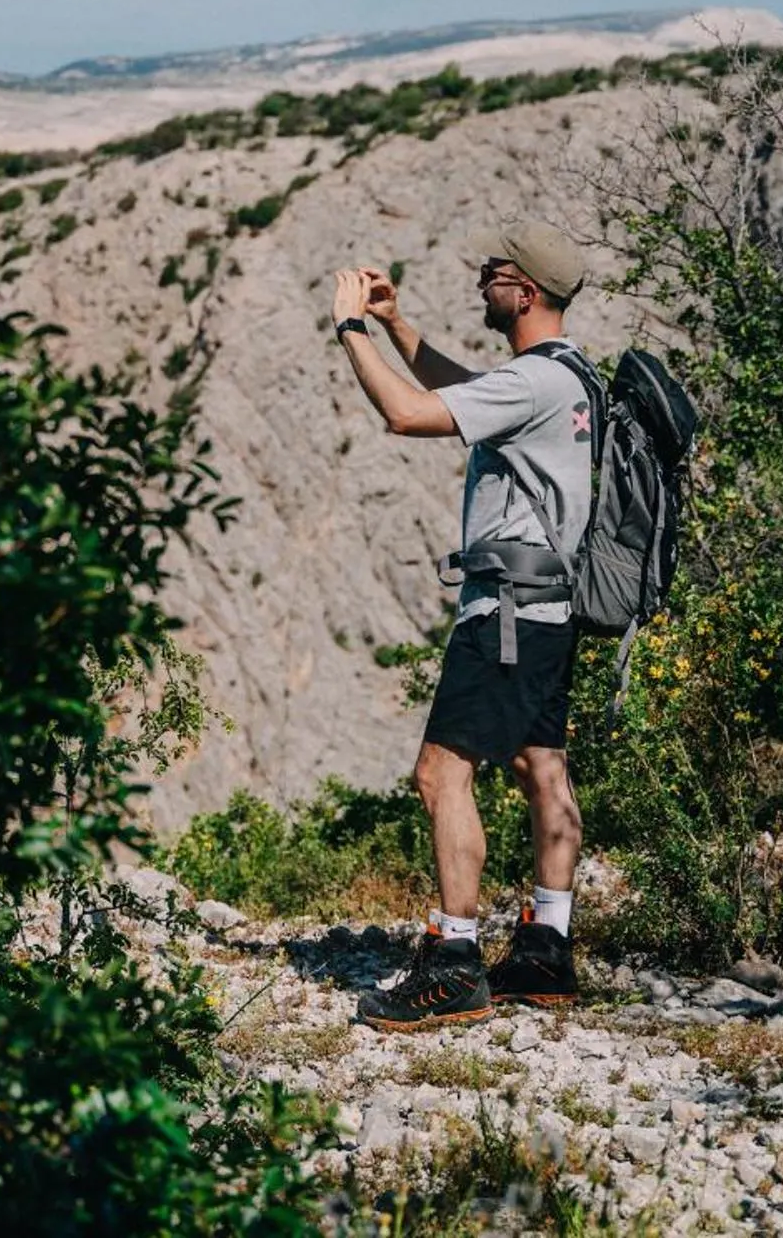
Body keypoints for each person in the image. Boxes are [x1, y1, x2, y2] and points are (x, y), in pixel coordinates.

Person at [329, 220, 595, 1029]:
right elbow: (464, 392)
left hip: (505, 611)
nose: (483, 278)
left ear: (526, 290)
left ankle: (453, 960)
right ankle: (546, 946)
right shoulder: (563, 374)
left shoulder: (533, 383)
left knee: (442, 774)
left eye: (494, 271)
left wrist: (349, 327)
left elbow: (410, 415)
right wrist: (398, 326)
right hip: (548, 606)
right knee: (537, 762)